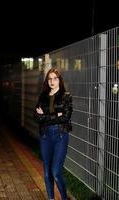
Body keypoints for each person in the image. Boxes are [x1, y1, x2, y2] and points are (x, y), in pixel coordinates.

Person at [34, 68, 73, 200]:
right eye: (49, 78)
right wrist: (55, 115)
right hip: (45, 136)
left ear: (59, 80)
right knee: (46, 173)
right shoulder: (43, 96)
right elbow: (36, 116)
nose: (52, 81)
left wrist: (45, 116)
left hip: (60, 135)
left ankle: (64, 198)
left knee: (56, 172)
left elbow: (65, 118)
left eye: (55, 78)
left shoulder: (66, 96)